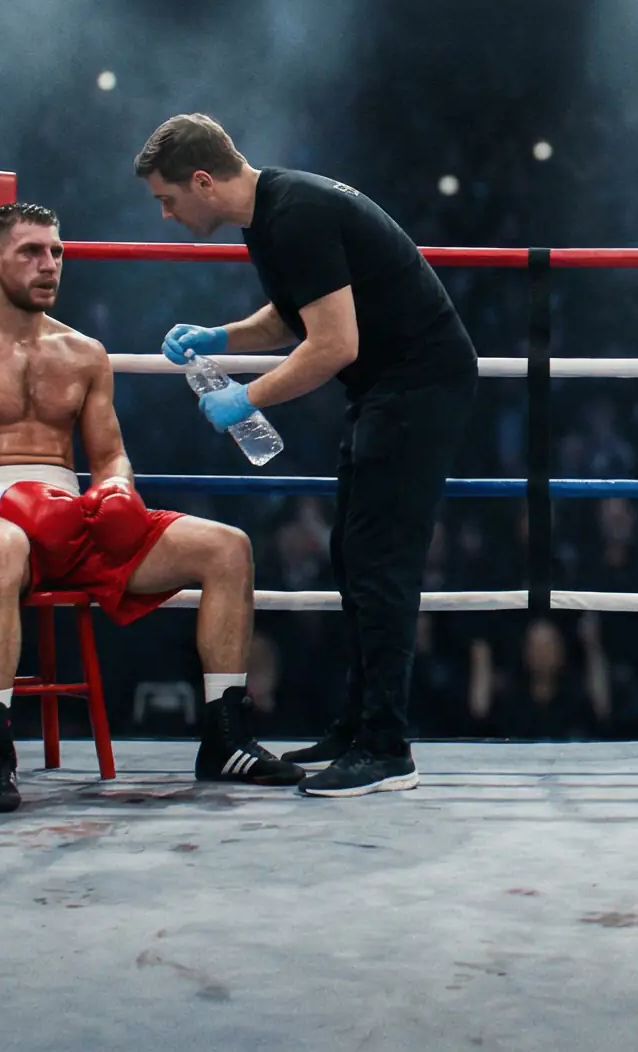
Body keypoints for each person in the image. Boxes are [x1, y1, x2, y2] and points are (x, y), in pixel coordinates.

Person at [0, 202, 300, 814]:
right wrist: (2, 499)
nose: (49, 264)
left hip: (69, 519)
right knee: (5, 545)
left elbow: (111, 454)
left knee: (227, 548)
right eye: (31, 251)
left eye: (56, 252)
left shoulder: (84, 353)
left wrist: (114, 490)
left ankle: (226, 737)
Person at [139, 114, 478, 798]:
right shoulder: (273, 213)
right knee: (353, 556)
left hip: (417, 384)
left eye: (168, 199)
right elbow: (294, 317)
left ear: (202, 180)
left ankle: (387, 747)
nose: (167, 215)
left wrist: (247, 399)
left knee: (379, 561)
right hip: (390, 387)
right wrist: (219, 337)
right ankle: (358, 727)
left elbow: (333, 345)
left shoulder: (294, 213)